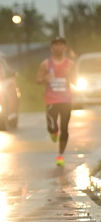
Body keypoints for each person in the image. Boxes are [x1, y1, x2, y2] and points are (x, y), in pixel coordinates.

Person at [35, 36, 76, 166]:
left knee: (65, 127)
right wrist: (45, 78)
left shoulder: (70, 64)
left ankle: (60, 156)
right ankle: (53, 132)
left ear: (65, 47)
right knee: (52, 126)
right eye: (56, 45)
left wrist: (70, 75)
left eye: (61, 44)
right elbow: (37, 80)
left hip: (66, 99)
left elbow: (76, 81)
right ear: (51, 48)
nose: (58, 47)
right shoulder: (46, 64)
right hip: (51, 100)